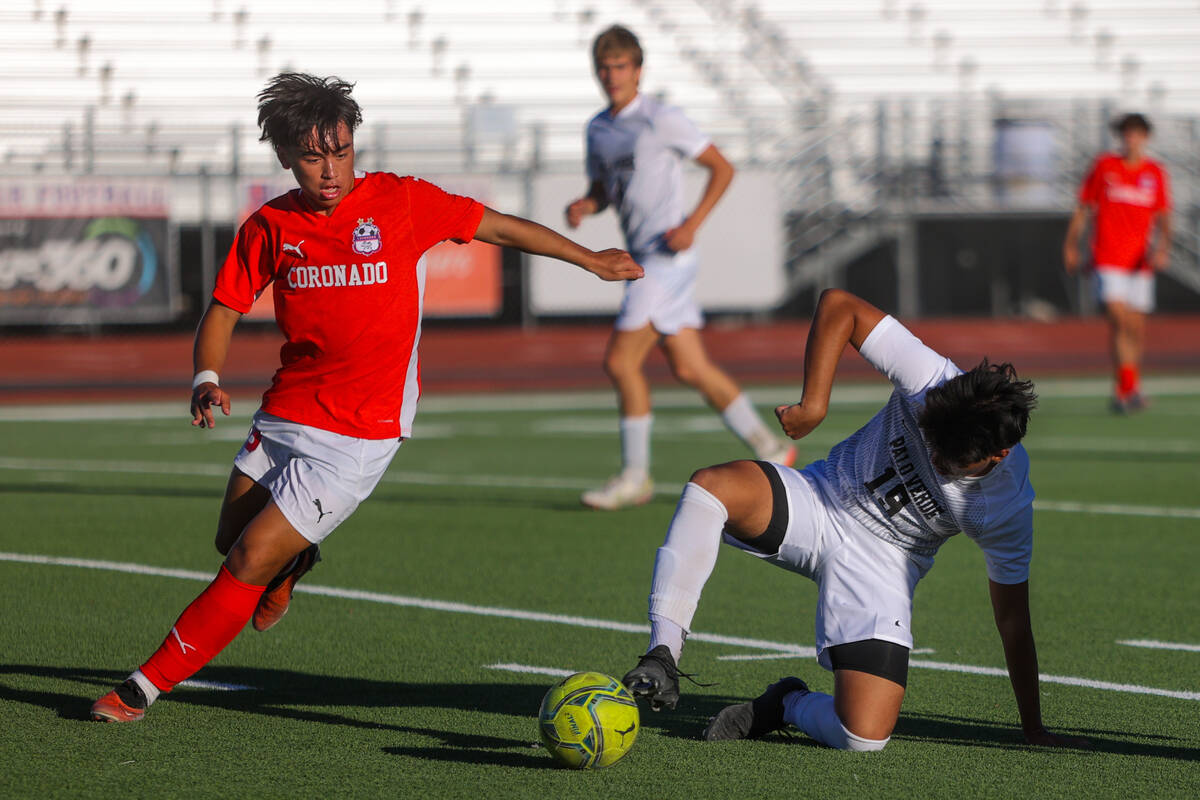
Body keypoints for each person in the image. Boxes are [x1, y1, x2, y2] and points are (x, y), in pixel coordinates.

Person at [89, 73, 643, 723]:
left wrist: (591, 261)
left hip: (360, 433)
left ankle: (139, 689)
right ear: (286, 158)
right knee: (230, 539)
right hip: (289, 408)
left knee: (247, 559)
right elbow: (223, 309)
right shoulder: (270, 225)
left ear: (356, 144)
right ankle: (296, 561)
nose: (331, 170)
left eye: (342, 151)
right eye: (313, 156)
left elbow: (499, 229)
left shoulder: (402, 203)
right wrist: (205, 377)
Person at [620, 288, 1091, 752]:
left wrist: (1033, 725)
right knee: (711, 487)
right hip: (822, 498)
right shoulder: (932, 378)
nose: (935, 457)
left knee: (863, 736)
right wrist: (814, 404)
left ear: (999, 454)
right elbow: (839, 306)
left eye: (951, 460)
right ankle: (663, 653)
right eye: (932, 442)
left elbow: (1012, 619)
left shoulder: (1005, 507)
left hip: (885, 564)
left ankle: (786, 704)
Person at [566, 25, 794, 511]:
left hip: (665, 258)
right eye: (604, 68)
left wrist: (692, 223)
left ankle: (635, 477)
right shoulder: (598, 129)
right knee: (690, 367)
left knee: (620, 361)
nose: (612, 76)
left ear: (639, 69)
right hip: (647, 259)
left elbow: (722, 167)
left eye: (621, 66)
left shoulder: (660, 119)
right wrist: (587, 204)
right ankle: (772, 446)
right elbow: (606, 188)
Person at [1062, 112, 1171, 413]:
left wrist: (1163, 248)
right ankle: (1126, 388)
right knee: (1119, 319)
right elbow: (1084, 207)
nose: (1131, 139)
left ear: (1145, 138)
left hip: (1140, 262)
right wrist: (1071, 245)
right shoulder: (1105, 166)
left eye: (1136, 134)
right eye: (1126, 133)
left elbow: (1164, 216)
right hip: (1108, 257)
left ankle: (1129, 387)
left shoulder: (1155, 172)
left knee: (1135, 327)